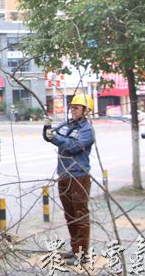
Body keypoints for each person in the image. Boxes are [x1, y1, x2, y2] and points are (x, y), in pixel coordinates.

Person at [43, 93, 95, 265]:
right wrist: (47, 129)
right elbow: (52, 136)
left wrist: (55, 137)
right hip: (64, 175)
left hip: (79, 176)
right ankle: (74, 249)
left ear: (86, 111)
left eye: (76, 108)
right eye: (72, 107)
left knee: (80, 215)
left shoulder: (87, 130)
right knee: (70, 214)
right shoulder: (66, 125)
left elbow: (73, 146)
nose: (73, 110)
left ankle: (82, 254)